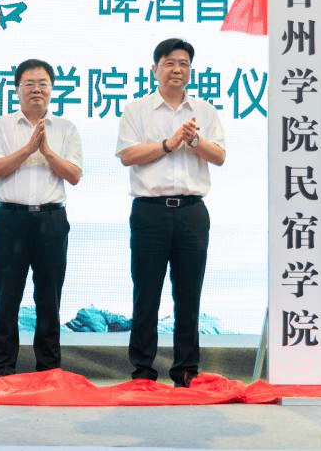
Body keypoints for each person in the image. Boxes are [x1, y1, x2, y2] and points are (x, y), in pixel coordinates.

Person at [116, 38, 226, 387]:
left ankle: (186, 371)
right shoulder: (136, 110)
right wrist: (168, 144)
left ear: (190, 70)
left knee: (188, 295)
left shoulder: (205, 111)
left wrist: (194, 141)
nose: (177, 69)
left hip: (192, 212)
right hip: (150, 212)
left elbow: (220, 156)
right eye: (169, 63)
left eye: (183, 64)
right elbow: (128, 155)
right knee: (146, 294)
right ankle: (142, 371)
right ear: (155, 69)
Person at [0, 59, 83, 378]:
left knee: (49, 299)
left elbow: (74, 175)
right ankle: (2, 369)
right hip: (10, 220)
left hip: (51, 220)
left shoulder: (66, 129)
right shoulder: (1, 126)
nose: (36, 89)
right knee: (7, 298)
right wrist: (28, 149)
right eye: (29, 83)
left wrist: (47, 152)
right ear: (17, 89)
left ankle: (49, 369)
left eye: (43, 83)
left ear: (52, 89)